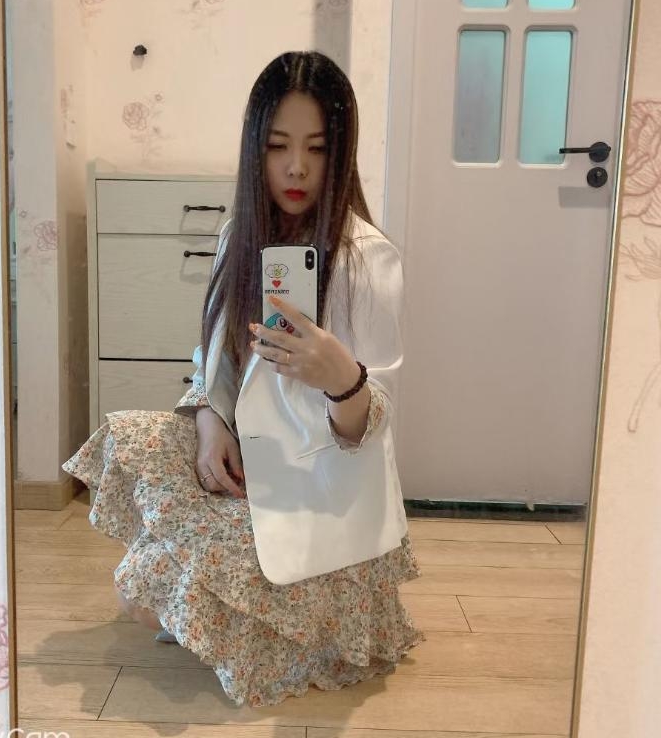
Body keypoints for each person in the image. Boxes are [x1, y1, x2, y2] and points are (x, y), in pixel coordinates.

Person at [62, 50, 424, 708]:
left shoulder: (368, 260)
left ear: (341, 154)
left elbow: (371, 428)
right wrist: (210, 426)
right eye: (278, 146)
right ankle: (238, 607)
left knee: (161, 593)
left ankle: (271, 615)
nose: (296, 167)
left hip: (323, 488)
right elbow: (217, 359)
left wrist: (342, 380)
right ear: (255, 149)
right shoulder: (239, 235)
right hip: (248, 466)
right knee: (134, 503)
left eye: (317, 148)